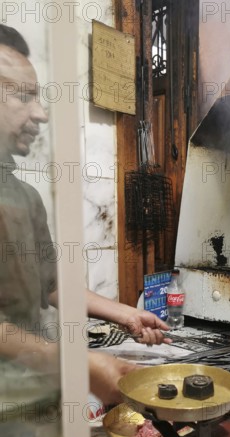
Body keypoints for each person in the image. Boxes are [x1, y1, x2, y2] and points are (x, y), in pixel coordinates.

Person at [0, 24, 170, 404]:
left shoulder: (23, 196)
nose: (41, 115)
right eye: (25, 97)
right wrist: (76, 364)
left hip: (24, 397)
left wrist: (124, 314)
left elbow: (51, 285)